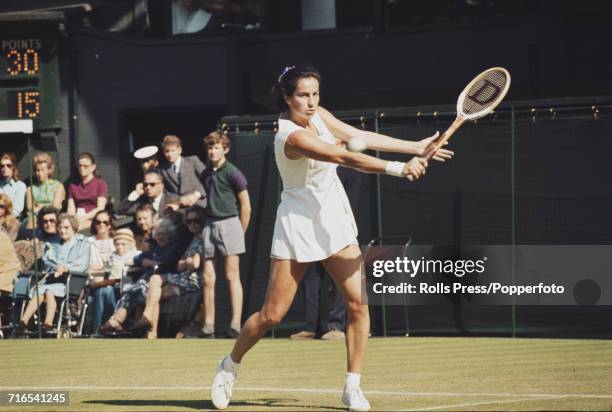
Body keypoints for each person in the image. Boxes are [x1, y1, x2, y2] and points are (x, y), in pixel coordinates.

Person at [210, 65, 453, 411]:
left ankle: (352, 386)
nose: (311, 102)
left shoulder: (319, 116)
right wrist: (399, 168)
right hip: (298, 222)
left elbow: (358, 136)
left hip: (333, 220)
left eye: (315, 94)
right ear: (286, 97)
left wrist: (416, 145)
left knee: (358, 303)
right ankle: (229, 365)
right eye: (303, 95)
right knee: (272, 315)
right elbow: (343, 155)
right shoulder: (290, 136)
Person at [201, 131, 251, 338]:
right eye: (210, 148)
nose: (213, 151)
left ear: (226, 149)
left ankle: (235, 325)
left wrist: (240, 231)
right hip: (209, 225)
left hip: (230, 224)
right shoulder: (205, 173)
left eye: (217, 147)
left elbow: (246, 206)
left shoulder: (233, 172)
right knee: (208, 278)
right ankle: (208, 326)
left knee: (232, 276)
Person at [129, 206, 204, 339]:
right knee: (154, 291)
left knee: (154, 283)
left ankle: (149, 324)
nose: (192, 224)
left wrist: (186, 261)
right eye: (189, 221)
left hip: (193, 280)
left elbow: (194, 264)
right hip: (183, 277)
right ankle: (151, 332)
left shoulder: (203, 237)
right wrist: (185, 262)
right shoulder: (193, 238)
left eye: (196, 221)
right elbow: (139, 257)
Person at [99, 218, 183, 335]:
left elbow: (165, 262)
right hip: (149, 278)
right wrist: (150, 262)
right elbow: (137, 258)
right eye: (158, 234)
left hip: (165, 278)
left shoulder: (174, 248)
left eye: (164, 234)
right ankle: (118, 321)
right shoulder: (155, 248)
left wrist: (153, 263)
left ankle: (125, 322)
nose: (161, 237)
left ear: (170, 235)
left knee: (140, 289)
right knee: (132, 290)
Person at [18, 214, 90, 334]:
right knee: (39, 292)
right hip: (53, 277)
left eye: (66, 227)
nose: (62, 230)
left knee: (49, 291)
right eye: (60, 227)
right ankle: (24, 320)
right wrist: (56, 267)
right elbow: (47, 261)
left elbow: (83, 264)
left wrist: (66, 268)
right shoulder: (52, 243)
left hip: (71, 279)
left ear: (74, 228)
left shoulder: (83, 243)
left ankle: (48, 322)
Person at [87, 210, 117, 333]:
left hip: (112, 282)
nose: (101, 225)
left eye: (105, 222)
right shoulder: (88, 242)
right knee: (103, 290)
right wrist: (101, 269)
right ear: (94, 224)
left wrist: (99, 269)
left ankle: (100, 329)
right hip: (91, 282)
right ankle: (101, 329)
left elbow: (117, 264)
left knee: (106, 290)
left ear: (110, 225)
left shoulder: (115, 242)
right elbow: (86, 265)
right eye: (98, 222)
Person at [158, 135, 207, 209]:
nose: (170, 154)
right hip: (179, 208)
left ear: (179, 150)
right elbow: (163, 191)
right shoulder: (162, 170)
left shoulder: (192, 161)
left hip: (199, 204)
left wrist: (197, 194)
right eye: (167, 151)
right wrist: (179, 200)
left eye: (172, 150)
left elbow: (208, 179)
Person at [67, 152, 109, 231]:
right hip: (77, 217)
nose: (82, 168)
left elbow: (100, 208)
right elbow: (70, 208)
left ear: (93, 167)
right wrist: (72, 219)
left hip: (94, 218)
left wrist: (83, 218)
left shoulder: (101, 184)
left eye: (85, 166)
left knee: (77, 228)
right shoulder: (73, 185)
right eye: (80, 166)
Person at [24, 152, 65, 229]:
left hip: (53, 217)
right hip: (35, 218)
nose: (39, 173)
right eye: (37, 170)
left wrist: (41, 206)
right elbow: (30, 208)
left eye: (43, 170)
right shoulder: (30, 189)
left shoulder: (58, 186)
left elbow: (55, 206)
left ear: (49, 170)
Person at [0, 153, 26, 219]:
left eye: (8, 165)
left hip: (12, 220)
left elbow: (17, 210)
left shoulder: (20, 186)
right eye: (2, 166)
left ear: (13, 167)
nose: (5, 168)